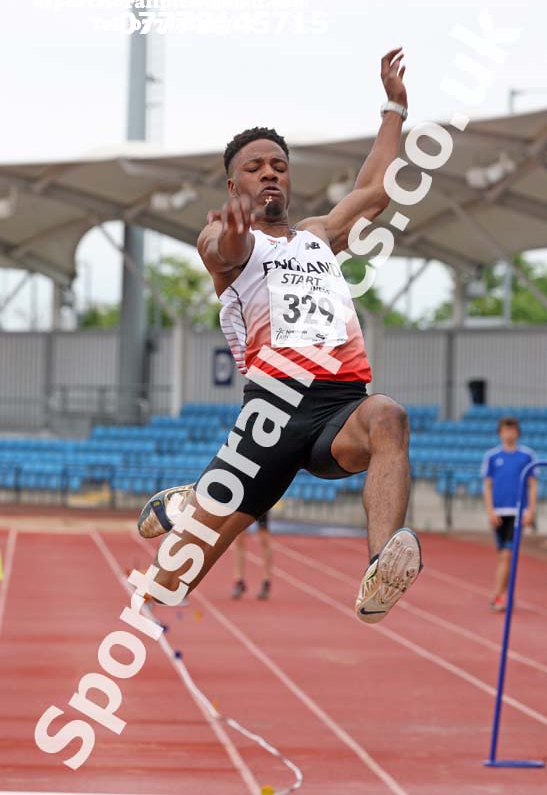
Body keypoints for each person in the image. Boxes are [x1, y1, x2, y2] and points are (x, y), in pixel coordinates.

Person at [138, 48, 422, 624]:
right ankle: (191, 505)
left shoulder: (319, 237)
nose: (269, 172)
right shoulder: (223, 236)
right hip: (270, 417)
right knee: (166, 590)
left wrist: (394, 106)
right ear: (232, 182)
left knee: (389, 415)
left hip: (341, 407)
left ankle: (379, 570)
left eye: (278, 165)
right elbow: (225, 252)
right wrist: (235, 233)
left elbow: (375, 190)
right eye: (255, 167)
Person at [481, 416, 538, 612]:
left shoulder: (527, 456)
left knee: (507, 555)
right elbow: (487, 486)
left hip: (517, 512)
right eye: (505, 430)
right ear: (500, 433)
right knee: (503, 556)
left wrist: (530, 510)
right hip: (498, 512)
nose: (509, 434)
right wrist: (490, 510)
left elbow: (532, 485)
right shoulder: (491, 456)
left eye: (512, 430)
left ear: (517, 432)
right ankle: (503, 595)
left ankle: (496, 594)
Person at [232, 512, 272, 600]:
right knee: (239, 537)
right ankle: (239, 580)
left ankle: (266, 581)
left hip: (262, 501)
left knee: (264, 537)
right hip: (245, 501)